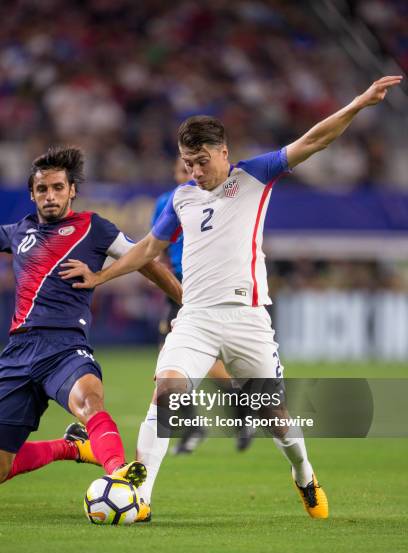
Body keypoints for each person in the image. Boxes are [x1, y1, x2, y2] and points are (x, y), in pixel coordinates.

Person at [61, 75, 403, 521]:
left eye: (202, 161)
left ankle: (304, 475)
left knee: (275, 417)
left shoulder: (254, 175)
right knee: (167, 392)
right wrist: (100, 276)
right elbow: (148, 248)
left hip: (248, 319)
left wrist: (358, 103)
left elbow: (316, 139)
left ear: (224, 153)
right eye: (188, 164)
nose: (196, 172)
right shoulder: (181, 198)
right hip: (196, 318)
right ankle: (140, 496)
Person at [0, 146, 182, 519]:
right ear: (32, 193)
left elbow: (146, 258)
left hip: (65, 346)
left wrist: (185, 300)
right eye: (41, 190)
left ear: (71, 191)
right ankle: (70, 448)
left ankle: (119, 474)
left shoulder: (94, 228)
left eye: (56, 188)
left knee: (89, 402)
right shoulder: (17, 232)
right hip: (17, 353)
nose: (49, 196)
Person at [152, 159, 253, 453]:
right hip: (177, 288)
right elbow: (157, 247)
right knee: (167, 363)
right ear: (175, 173)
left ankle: (240, 409)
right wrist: (159, 274)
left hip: (206, 289)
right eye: (183, 171)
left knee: (208, 364)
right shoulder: (167, 203)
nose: (189, 176)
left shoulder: (219, 200)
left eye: (193, 171)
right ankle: (194, 425)